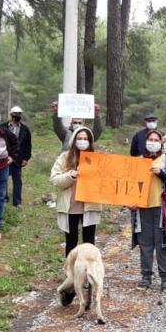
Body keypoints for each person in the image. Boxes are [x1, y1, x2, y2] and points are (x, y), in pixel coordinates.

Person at [50, 126, 103, 306]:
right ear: (74, 140)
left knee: (89, 245)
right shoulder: (64, 158)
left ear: (90, 141)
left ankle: (89, 281)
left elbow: (106, 180)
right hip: (70, 207)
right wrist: (70, 175)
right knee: (71, 246)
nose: (82, 141)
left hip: (89, 207)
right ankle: (71, 283)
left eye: (85, 138)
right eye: (79, 138)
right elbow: (55, 179)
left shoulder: (97, 159)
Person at [131, 129, 166, 292]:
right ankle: (146, 276)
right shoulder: (138, 161)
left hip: (163, 208)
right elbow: (128, 184)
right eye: (150, 139)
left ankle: (165, 277)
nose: (152, 142)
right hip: (142, 208)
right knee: (145, 243)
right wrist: (129, 202)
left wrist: (162, 174)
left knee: (163, 243)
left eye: (156, 139)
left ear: (161, 142)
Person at [7, 106, 32, 207]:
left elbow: (28, 145)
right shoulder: (3, 127)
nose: (17, 116)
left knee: (17, 181)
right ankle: (4, 199)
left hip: (18, 159)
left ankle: (17, 202)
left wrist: (26, 158)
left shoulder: (25, 129)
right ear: (11, 114)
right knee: (3, 181)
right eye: (15, 114)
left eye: (19, 114)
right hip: (5, 158)